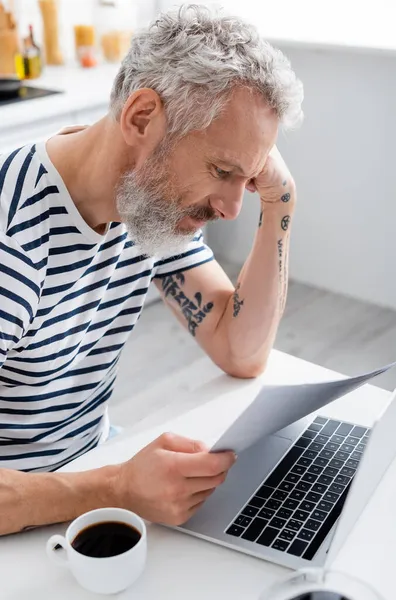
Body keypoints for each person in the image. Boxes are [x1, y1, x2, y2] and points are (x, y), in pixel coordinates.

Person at [0, 4, 303, 535]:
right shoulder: (12, 240)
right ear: (141, 118)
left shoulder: (146, 205)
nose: (233, 207)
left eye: (247, 179)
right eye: (222, 171)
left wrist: (280, 203)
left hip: (84, 478)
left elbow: (239, 351)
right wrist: (115, 487)